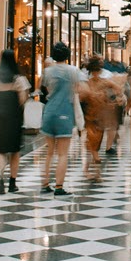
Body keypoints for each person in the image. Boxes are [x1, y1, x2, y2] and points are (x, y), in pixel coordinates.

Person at [40, 42, 83, 196]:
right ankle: (59, 187)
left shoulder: (47, 71)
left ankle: (44, 184)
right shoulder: (73, 71)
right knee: (63, 153)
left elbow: (46, 89)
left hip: (49, 112)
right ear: (67, 55)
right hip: (65, 112)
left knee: (49, 152)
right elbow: (79, 89)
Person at [79, 55, 126, 180]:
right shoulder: (104, 82)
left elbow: (80, 96)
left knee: (92, 142)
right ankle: (93, 168)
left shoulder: (87, 82)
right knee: (94, 143)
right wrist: (113, 99)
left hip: (91, 116)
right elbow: (118, 89)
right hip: (98, 116)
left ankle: (90, 169)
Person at [0, 50, 29, 194]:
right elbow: (22, 99)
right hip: (14, 119)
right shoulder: (19, 80)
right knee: (14, 151)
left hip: (1, 118)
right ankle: (12, 183)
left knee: (1, 151)